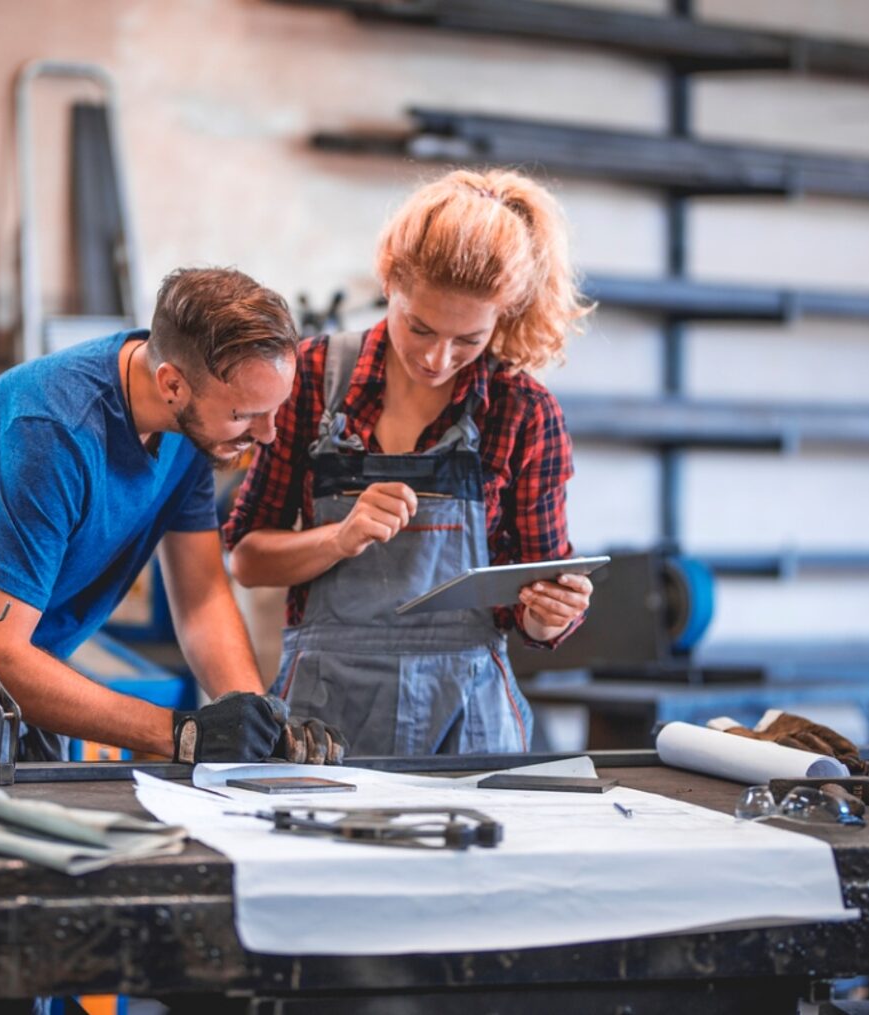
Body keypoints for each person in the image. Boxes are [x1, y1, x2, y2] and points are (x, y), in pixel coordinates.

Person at [0, 268, 346, 769]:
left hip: (26, 668)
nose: (268, 434)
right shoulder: (51, 431)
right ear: (172, 385)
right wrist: (186, 735)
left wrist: (253, 719)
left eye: (274, 409)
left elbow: (204, 595)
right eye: (245, 414)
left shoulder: (193, 431)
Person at [224, 169, 595, 756]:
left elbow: (537, 604)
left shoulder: (524, 413)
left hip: (471, 728)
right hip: (323, 722)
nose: (436, 357)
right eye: (418, 326)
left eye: (467, 340)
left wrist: (551, 614)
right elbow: (246, 558)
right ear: (389, 280)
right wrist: (339, 538)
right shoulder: (311, 378)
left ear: (504, 316)